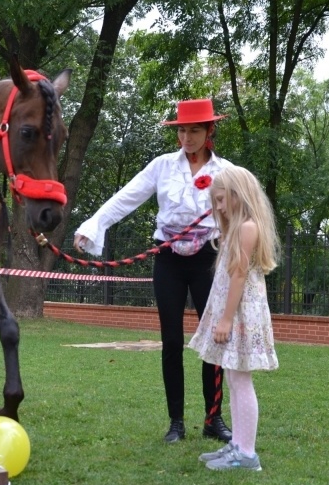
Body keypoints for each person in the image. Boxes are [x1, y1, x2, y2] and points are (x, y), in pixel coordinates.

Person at [74, 98, 234, 443]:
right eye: (182, 130)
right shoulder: (162, 166)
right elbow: (126, 197)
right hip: (169, 260)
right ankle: (176, 422)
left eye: (195, 130)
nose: (187, 137)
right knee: (172, 341)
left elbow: (243, 213)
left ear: (210, 131)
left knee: (211, 340)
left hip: (209, 258)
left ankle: (213, 418)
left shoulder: (226, 172)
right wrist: (92, 225)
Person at [188, 166, 280, 471]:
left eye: (221, 200)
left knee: (241, 380)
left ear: (238, 195)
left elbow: (239, 275)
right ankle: (238, 445)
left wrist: (226, 319)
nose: (218, 207)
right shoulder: (235, 229)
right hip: (233, 311)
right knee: (232, 376)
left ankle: (247, 453)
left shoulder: (247, 228)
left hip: (240, 314)